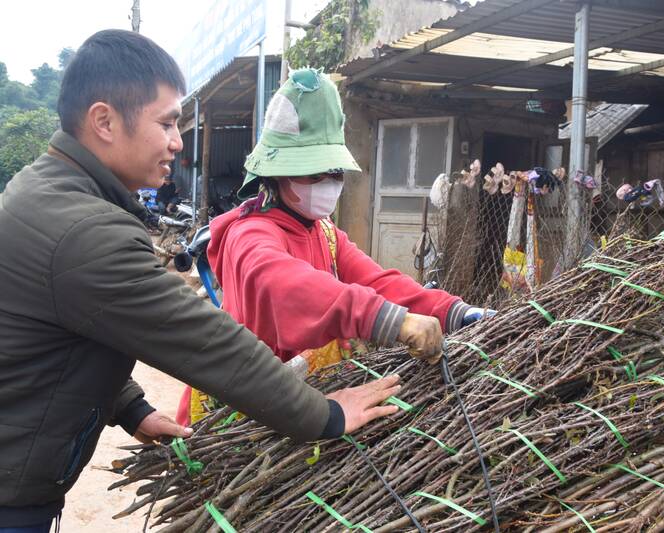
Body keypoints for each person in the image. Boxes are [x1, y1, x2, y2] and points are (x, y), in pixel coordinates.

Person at [0, 30, 401, 533]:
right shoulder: (86, 230)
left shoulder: (45, 191)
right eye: (166, 122)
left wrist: (130, 407)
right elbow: (206, 341)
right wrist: (326, 415)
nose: (177, 140)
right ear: (104, 121)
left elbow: (63, 337)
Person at [176, 67, 493, 425]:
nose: (328, 183)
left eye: (335, 173)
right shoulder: (249, 235)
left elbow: (378, 282)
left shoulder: (325, 232)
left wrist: (454, 311)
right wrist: (389, 320)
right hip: (240, 413)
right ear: (278, 174)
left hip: (297, 400)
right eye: (315, 173)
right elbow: (287, 285)